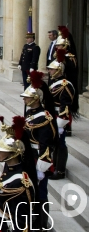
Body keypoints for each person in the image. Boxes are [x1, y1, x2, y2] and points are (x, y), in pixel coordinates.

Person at [21, 72, 56, 228]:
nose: (24, 99)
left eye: (27, 97)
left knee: (41, 193)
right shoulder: (30, 113)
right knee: (30, 190)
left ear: (35, 99)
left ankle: (41, 223)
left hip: (38, 158)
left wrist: (42, 165)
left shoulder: (44, 117)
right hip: (29, 156)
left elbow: (46, 144)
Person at [0, 116, 36, 232]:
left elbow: (21, 221)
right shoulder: (9, 172)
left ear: (13, 154)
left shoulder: (21, 183)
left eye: (2, 150)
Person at [47, 49, 76, 181]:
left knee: (60, 143)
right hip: (52, 115)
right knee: (54, 143)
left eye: (52, 70)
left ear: (58, 70)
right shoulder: (54, 82)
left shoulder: (65, 85)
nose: (49, 71)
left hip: (60, 117)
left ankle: (60, 170)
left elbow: (65, 105)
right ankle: (54, 165)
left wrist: (61, 122)